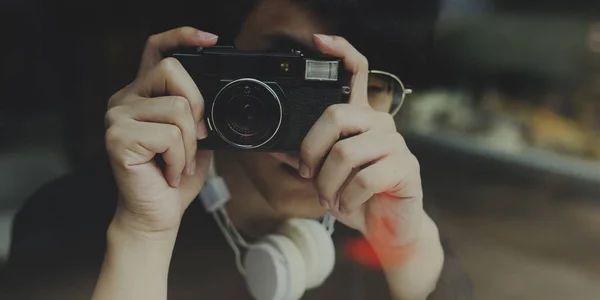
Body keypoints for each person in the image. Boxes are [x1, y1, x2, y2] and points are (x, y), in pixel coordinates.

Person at [0, 0, 472, 299]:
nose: (322, 123)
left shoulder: (394, 226)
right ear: (208, 66)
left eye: (364, 85)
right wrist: (142, 237)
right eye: (284, 73)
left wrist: (407, 250)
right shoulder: (65, 221)